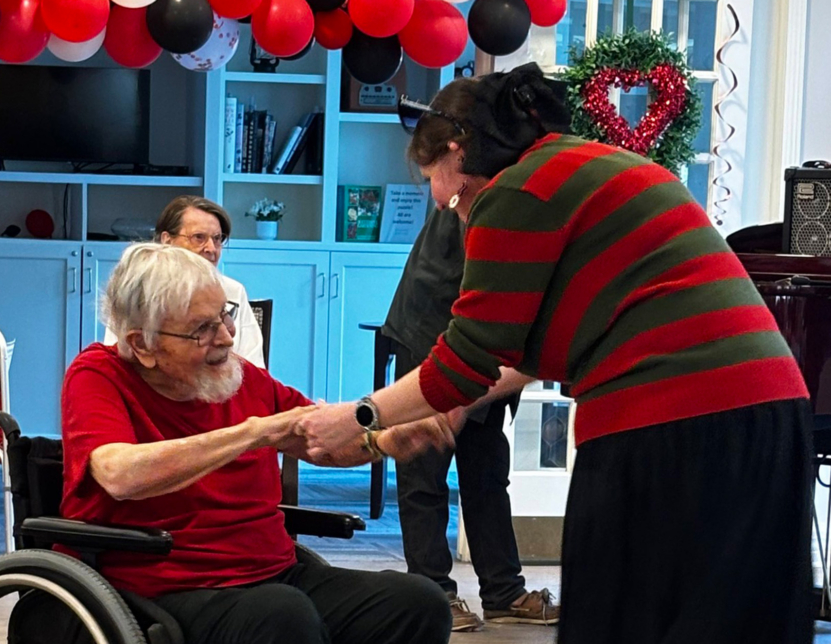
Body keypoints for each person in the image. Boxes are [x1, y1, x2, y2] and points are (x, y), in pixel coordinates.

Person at [297, 62, 814, 644]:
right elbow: (517, 355)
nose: (440, 202)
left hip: (669, 421)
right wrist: (452, 407)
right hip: (772, 411)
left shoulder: (514, 191)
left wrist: (360, 417)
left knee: (619, 620)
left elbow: (468, 357)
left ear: (456, 151)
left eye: (433, 178)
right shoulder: (589, 165)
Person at [62, 242, 452, 644]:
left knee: (419, 603)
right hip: (160, 588)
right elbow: (120, 474)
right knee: (282, 614)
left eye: (224, 315)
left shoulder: (238, 376)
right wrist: (255, 432)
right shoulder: (98, 374)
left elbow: (318, 440)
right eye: (202, 329)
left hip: (274, 574)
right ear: (142, 344)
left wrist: (384, 441)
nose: (226, 338)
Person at [382, 206, 558, 629]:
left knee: (487, 471)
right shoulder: (491, 199)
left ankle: (503, 592)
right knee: (424, 467)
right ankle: (433, 591)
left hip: (490, 337)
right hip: (432, 328)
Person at [104, 195, 266, 368]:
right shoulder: (136, 292)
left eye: (217, 239)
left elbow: (253, 367)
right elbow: (119, 364)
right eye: (199, 237)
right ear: (167, 240)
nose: (211, 248)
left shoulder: (233, 291)